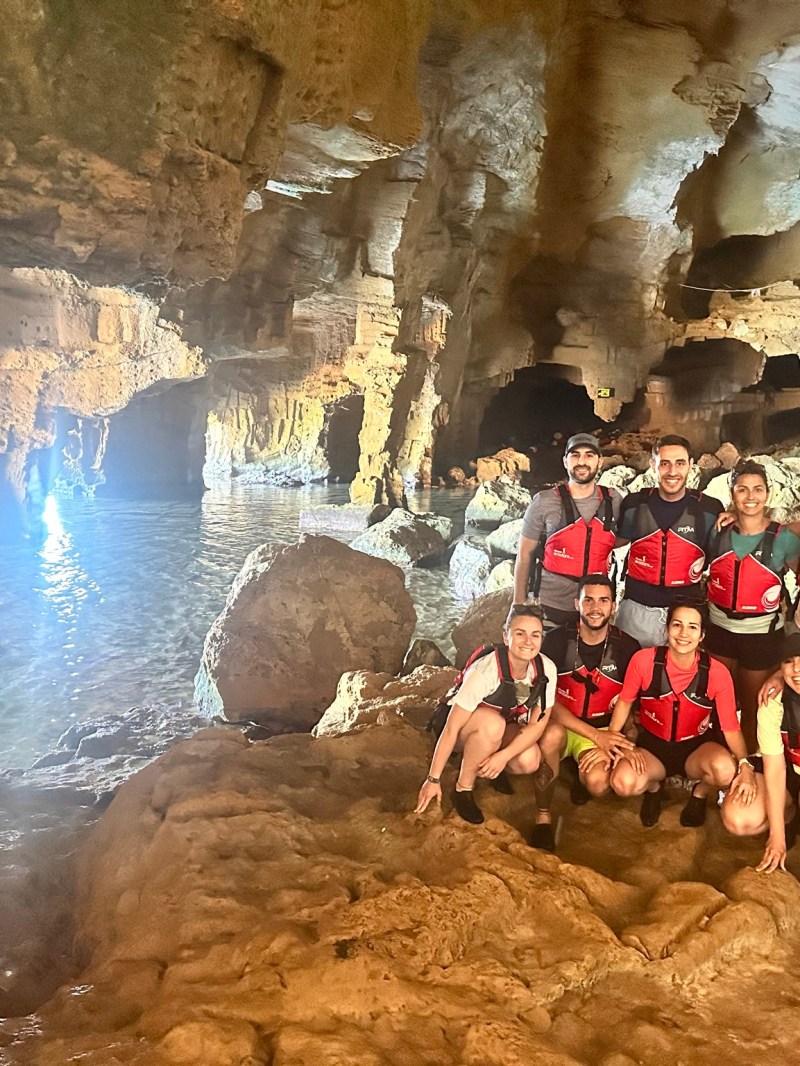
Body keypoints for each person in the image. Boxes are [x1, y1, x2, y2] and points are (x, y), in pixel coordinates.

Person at [608, 600, 756, 828]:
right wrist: (615, 743)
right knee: (623, 782)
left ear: (702, 635)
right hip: (652, 746)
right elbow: (625, 703)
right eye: (677, 625)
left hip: (696, 749)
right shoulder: (644, 661)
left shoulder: (717, 673)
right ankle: (654, 788)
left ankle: (700, 792)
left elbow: (730, 727)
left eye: (692, 627)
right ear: (666, 629)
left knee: (726, 770)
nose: (683, 633)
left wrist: (745, 763)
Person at [414, 605, 557, 828]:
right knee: (493, 724)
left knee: (528, 760)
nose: (528, 641)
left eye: (535, 635)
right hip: (463, 729)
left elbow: (537, 724)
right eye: (520, 633)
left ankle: (488, 762)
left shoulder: (546, 670)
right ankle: (463, 789)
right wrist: (433, 779)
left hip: (500, 726)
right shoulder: (487, 670)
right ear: (506, 636)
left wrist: (503, 757)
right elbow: (452, 728)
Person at [704, 460, 800, 750]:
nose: (750, 496)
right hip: (719, 628)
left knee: (752, 703)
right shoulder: (718, 530)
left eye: (758, 489)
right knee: (716, 699)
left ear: (768, 494)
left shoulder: (784, 538)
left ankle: (748, 761)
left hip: (761, 634)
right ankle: (717, 755)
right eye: (742, 490)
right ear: (732, 494)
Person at [538, 574, 639, 820]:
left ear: (614, 606)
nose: (595, 608)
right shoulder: (555, 642)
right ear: (576, 604)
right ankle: (543, 813)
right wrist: (596, 737)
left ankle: (577, 771)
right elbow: (546, 699)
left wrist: (617, 741)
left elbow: (631, 706)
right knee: (551, 736)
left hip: (602, 727)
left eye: (603, 601)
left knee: (599, 784)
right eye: (588, 600)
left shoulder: (628, 648)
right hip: (560, 724)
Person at [615, 435, 723, 648]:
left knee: (676, 679)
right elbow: (607, 542)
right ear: (653, 465)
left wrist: (737, 514)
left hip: (685, 615)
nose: (672, 472)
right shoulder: (634, 505)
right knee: (630, 675)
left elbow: (727, 551)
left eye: (680, 463)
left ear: (691, 465)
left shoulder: (710, 510)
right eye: (665, 463)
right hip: (636, 610)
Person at [514, 433, 622, 630]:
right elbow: (524, 555)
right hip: (551, 605)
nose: (582, 461)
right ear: (565, 461)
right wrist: (518, 606)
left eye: (589, 455)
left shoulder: (614, 500)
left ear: (600, 461)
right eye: (575, 455)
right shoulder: (544, 501)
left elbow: (621, 539)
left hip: (594, 609)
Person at [753, 631, 800, 872]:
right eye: (788, 661)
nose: (796, 669)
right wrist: (777, 836)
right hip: (789, 769)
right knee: (741, 818)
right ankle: (788, 816)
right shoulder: (773, 702)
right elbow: (774, 770)